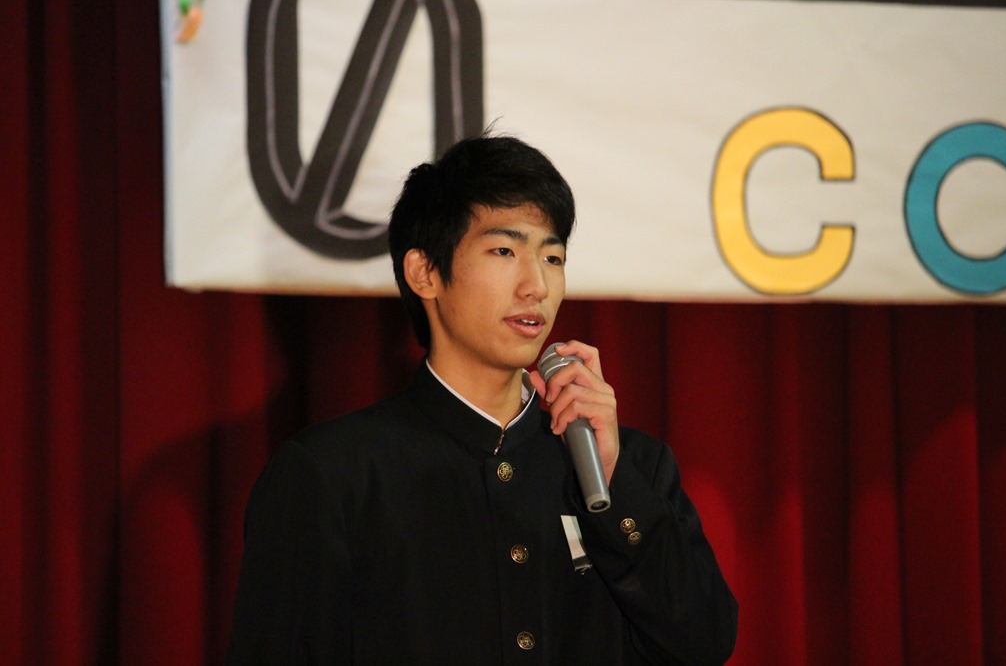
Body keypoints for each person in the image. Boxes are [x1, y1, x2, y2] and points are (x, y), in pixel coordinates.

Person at [226, 135, 738, 664]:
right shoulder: (332, 475)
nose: (536, 286)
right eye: (504, 251)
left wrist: (613, 483)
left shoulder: (633, 467)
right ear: (425, 272)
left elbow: (704, 642)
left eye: (553, 257)